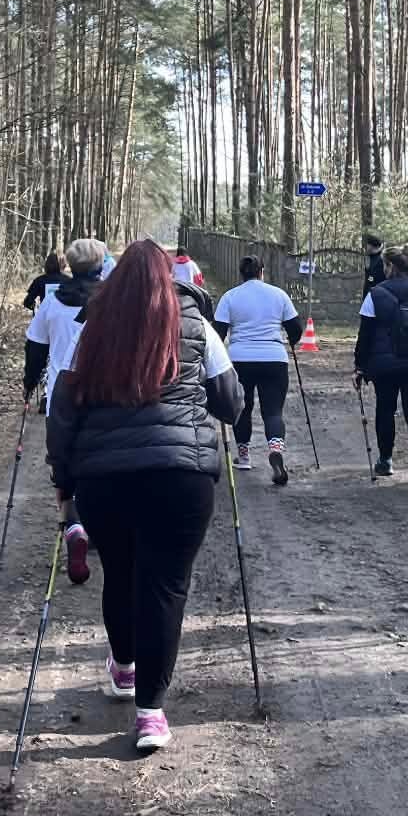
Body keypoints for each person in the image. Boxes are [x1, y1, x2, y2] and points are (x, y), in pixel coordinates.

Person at [46, 240, 243, 754]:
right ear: (169, 279)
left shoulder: (93, 327)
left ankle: (125, 668)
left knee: (121, 572)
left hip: (105, 479)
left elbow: (63, 407)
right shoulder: (196, 323)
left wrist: (64, 480)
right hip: (181, 477)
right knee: (165, 587)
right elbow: (230, 403)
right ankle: (151, 714)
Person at [24, 238, 107, 537]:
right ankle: (97, 522)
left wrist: (29, 384)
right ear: (100, 265)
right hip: (103, 396)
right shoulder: (112, 300)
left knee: (63, 461)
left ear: (71, 265)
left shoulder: (52, 301)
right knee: (100, 458)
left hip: (60, 398)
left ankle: (70, 523)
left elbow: (35, 349)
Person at [353, 246, 408, 494]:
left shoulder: (375, 294)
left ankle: (385, 460)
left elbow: (365, 336)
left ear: (390, 266)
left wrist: (360, 366)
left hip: (385, 365)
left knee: (385, 409)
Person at [213, 256, 305, 485]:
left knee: (242, 408)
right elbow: (296, 328)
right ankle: (275, 449)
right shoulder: (278, 295)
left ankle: (244, 456)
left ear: (241, 273)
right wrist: (291, 340)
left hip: (240, 359)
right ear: (261, 271)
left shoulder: (230, 297)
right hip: (274, 359)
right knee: (273, 411)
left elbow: (218, 334)